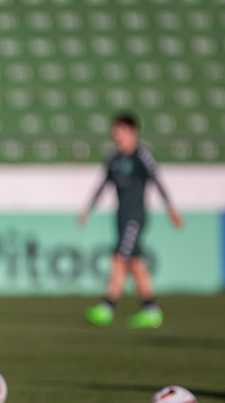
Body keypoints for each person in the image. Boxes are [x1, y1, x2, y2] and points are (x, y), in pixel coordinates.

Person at [79, 112, 182, 328]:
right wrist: (88, 209)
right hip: (120, 217)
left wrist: (170, 208)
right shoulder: (114, 159)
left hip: (135, 217)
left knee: (119, 258)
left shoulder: (142, 156)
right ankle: (151, 310)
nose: (117, 136)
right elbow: (102, 185)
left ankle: (107, 307)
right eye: (115, 132)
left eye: (121, 131)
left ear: (132, 132)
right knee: (135, 264)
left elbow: (157, 181)